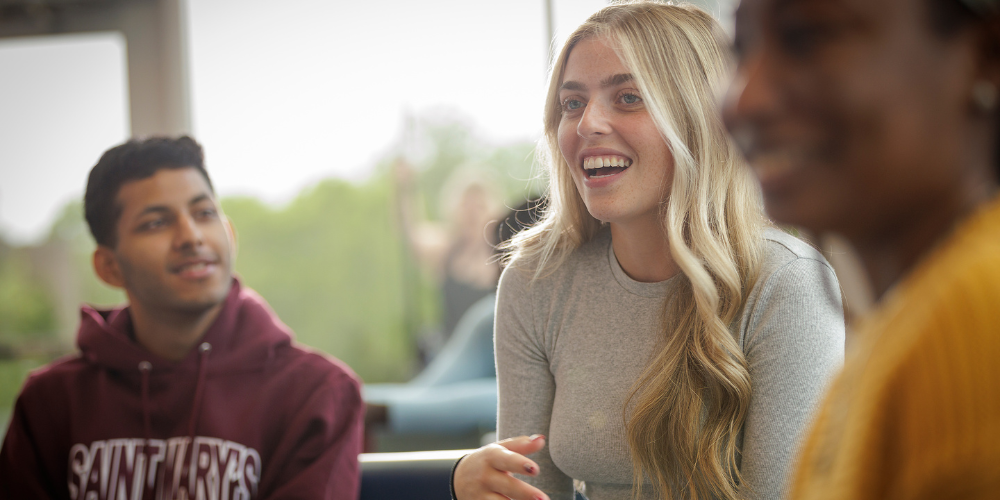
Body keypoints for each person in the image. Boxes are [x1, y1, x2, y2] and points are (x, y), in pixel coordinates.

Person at [452, 3, 845, 500]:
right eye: (572, 104)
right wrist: (471, 484)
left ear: (700, 119)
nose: (588, 123)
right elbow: (536, 489)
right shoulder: (537, 282)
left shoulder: (788, 283)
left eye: (628, 98)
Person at [723, 0, 1000, 498]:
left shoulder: (978, 317)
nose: (746, 99)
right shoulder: (901, 322)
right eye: (740, 49)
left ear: (985, 54)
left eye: (807, 38)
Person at [0, 137, 364, 499]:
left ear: (230, 235)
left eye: (204, 213)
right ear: (109, 267)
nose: (190, 236)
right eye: (156, 223)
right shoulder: (50, 402)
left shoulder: (318, 393)